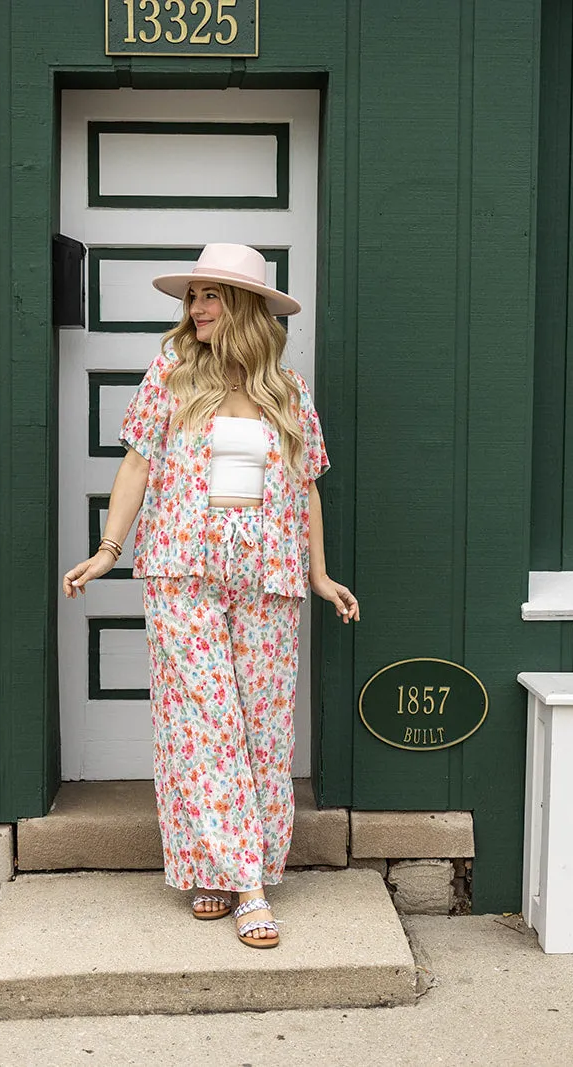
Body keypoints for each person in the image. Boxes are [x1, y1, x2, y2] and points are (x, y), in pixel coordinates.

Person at [62, 243, 359, 949]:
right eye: (193, 296)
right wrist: (108, 550)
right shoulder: (169, 376)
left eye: (212, 296)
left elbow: (307, 485)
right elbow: (136, 464)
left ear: (248, 309)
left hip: (270, 577)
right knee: (206, 721)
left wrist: (318, 573)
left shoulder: (288, 392)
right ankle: (248, 885)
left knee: (259, 727)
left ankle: (215, 867)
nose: (196, 308)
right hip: (181, 571)